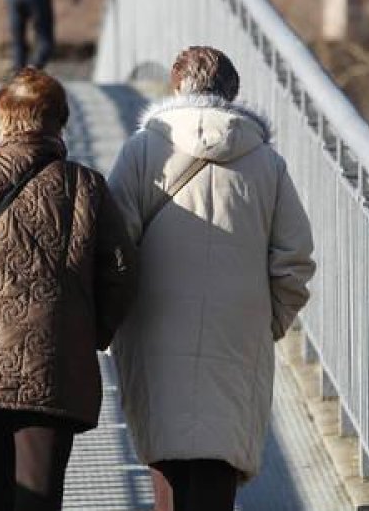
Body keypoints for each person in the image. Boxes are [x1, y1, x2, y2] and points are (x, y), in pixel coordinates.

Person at [0, 69, 137, 511]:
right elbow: (122, 268)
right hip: (54, 358)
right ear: (58, 121)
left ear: (4, 119)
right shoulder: (85, 184)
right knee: (40, 493)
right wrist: (93, 331)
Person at [106, 46, 316, 511]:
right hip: (237, 329)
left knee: (168, 462)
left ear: (177, 86)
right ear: (233, 93)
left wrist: (116, 315)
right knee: (218, 466)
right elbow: (295, 259)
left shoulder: (142, 152)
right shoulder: (267, 164)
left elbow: (113, 244)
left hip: (154, 324)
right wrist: (269, 321)